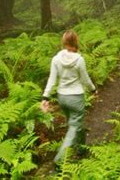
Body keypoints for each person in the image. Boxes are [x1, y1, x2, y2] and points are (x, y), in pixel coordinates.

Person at [41, 30, 96, 165]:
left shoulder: (56, 59)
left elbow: (52, 80)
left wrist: (45, 97)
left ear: (64, 42)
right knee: (74, 126)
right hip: (76, 97)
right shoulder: (79, 60)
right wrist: (93, 89)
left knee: (76, 124)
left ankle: (81, 149)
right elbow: (85, 79)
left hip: (62, 97)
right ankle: (60, 160)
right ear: (76, 42)